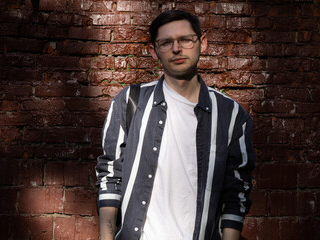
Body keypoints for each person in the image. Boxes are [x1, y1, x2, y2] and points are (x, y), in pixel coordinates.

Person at [95, 10, 255, 240]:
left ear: (202, 43)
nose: (177, 48)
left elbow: (237, 191)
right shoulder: (130, 101)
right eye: (166, 42)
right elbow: (110, 175)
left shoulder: (231, 115)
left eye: (186, 40)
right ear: (153, 51)